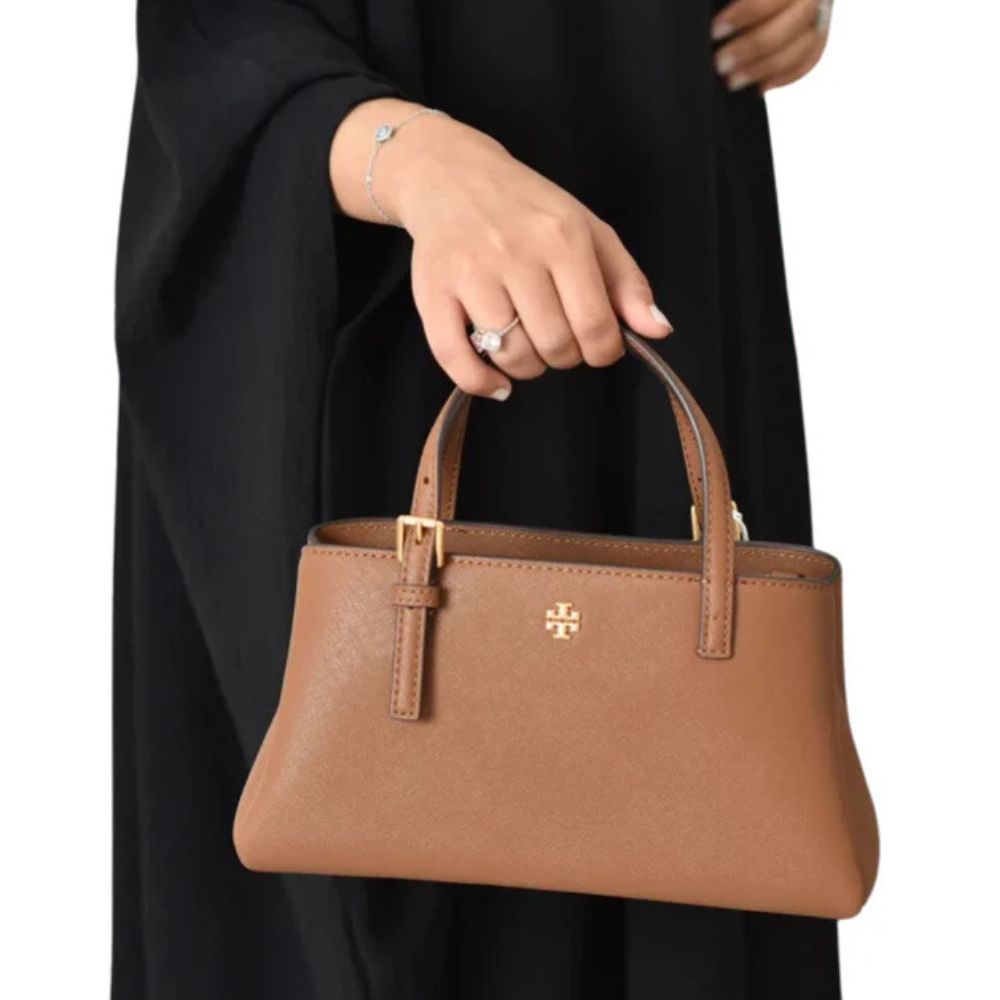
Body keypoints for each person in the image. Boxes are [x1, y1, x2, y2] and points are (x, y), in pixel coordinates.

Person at [114, 0, 837, 996]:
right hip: (362, 259)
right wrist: (414, 161)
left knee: (696, 819)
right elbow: (210, 32)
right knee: (347, 850)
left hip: (668, 182)